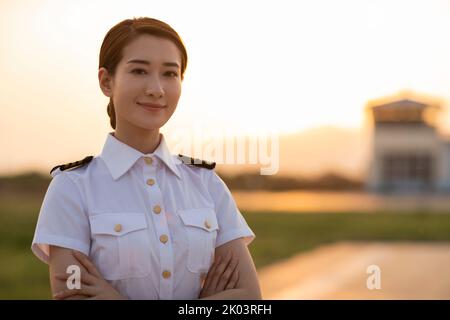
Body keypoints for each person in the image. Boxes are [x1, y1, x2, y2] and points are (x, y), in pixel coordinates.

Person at [30, 17, 261, 300]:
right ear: (106, 81)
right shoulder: (71, 189)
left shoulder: (207, 184)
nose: (156, 89)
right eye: (139, 71)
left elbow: (249, 299)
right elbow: (72, 294)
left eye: (169, 73)